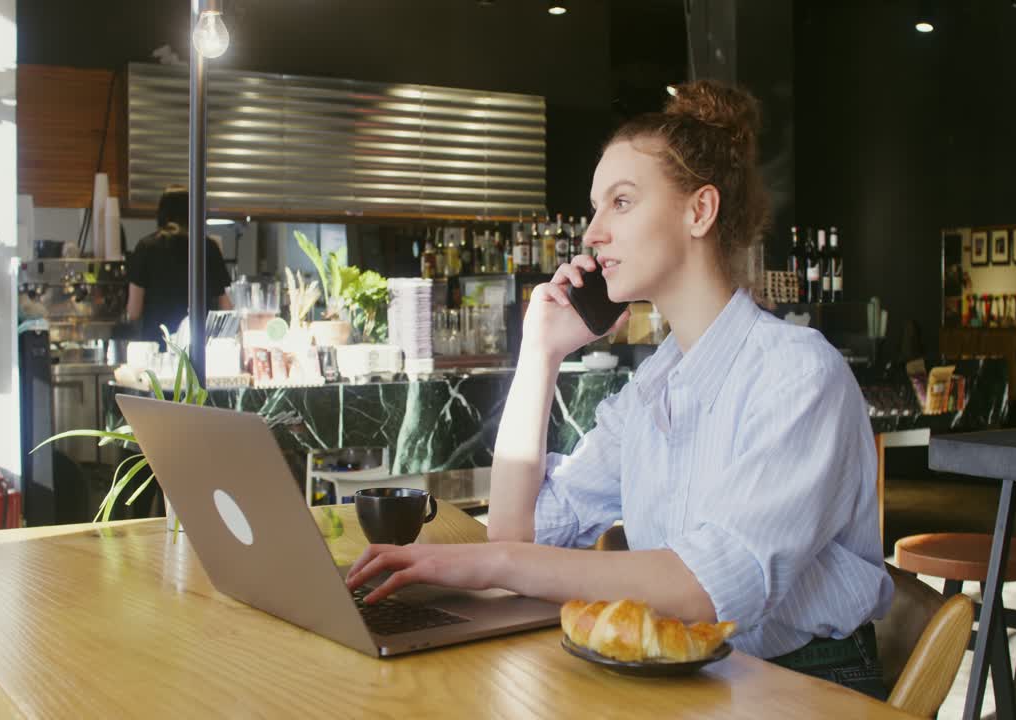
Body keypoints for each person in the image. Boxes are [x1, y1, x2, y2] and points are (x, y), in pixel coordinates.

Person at [345, 81, 892, 698]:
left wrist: (491, 566)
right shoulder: (654, 385)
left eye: (621, 203)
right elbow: (515, 532)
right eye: (596, 206)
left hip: (805, 686)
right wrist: (540, 353)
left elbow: (701, 588)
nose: (592, 234)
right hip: (690, 671)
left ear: (699, 212)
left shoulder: (797, 376)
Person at [126, 185, 233, 346]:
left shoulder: (146, 247)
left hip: (157, 349)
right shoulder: (208, 247)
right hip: (200, 350)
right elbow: (226, 307)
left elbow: (133, 311)